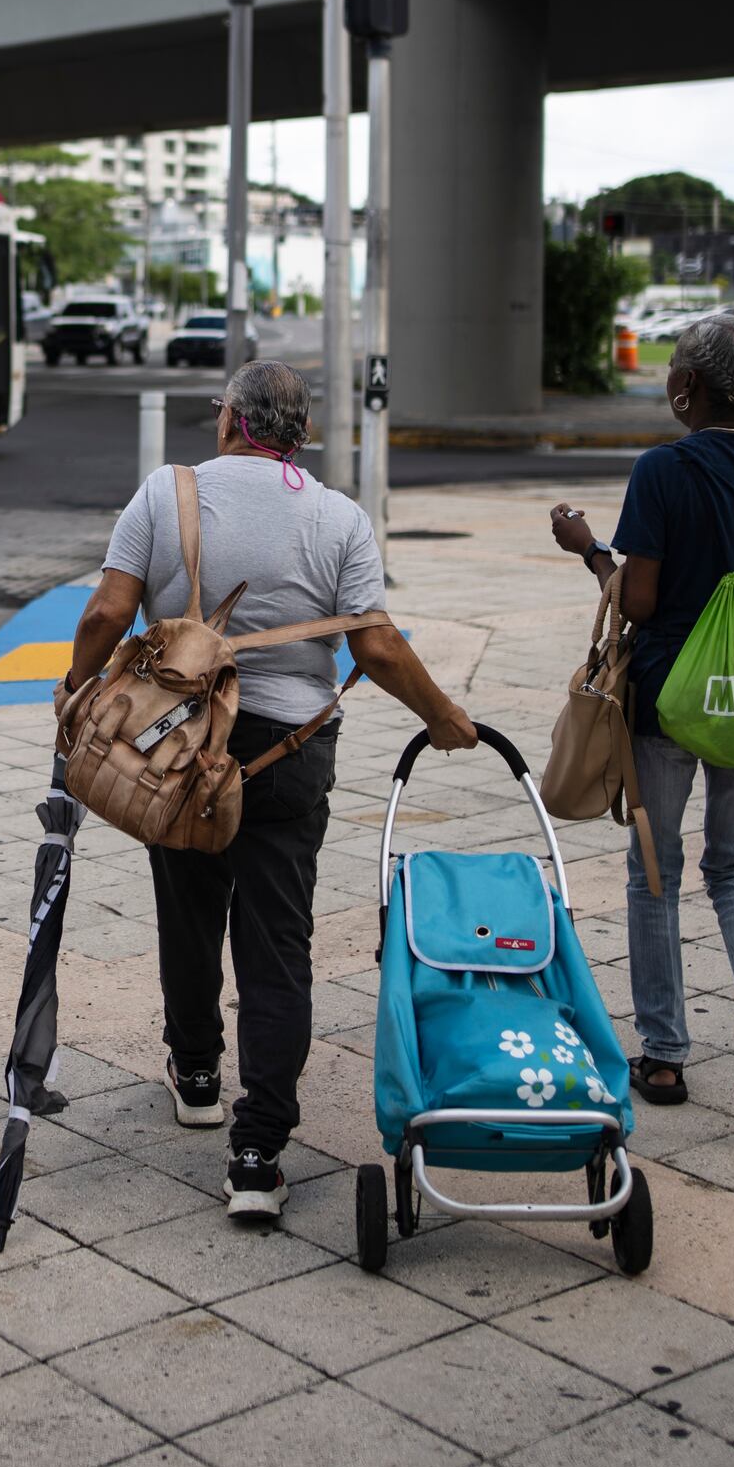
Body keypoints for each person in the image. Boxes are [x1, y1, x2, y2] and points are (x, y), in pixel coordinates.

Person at [63, 361, 477, 1222]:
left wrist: (76, 684)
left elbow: (108, 610)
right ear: (299, 436)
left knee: (187, 906)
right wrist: (441, 715)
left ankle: (199, 1073)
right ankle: (256, 1152)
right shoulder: (338, 518)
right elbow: (379, 647)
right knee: (278, 940)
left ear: (228, 423)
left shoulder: (165, 494)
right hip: (289, 749)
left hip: (176, 750)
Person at [549, 312, 734, 1124]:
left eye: (674, 370)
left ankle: (667, 1058)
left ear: (690, 389)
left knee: (656, 872)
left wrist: (586, 546)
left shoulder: (664, 472)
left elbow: (635, 600)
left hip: (672, 700)